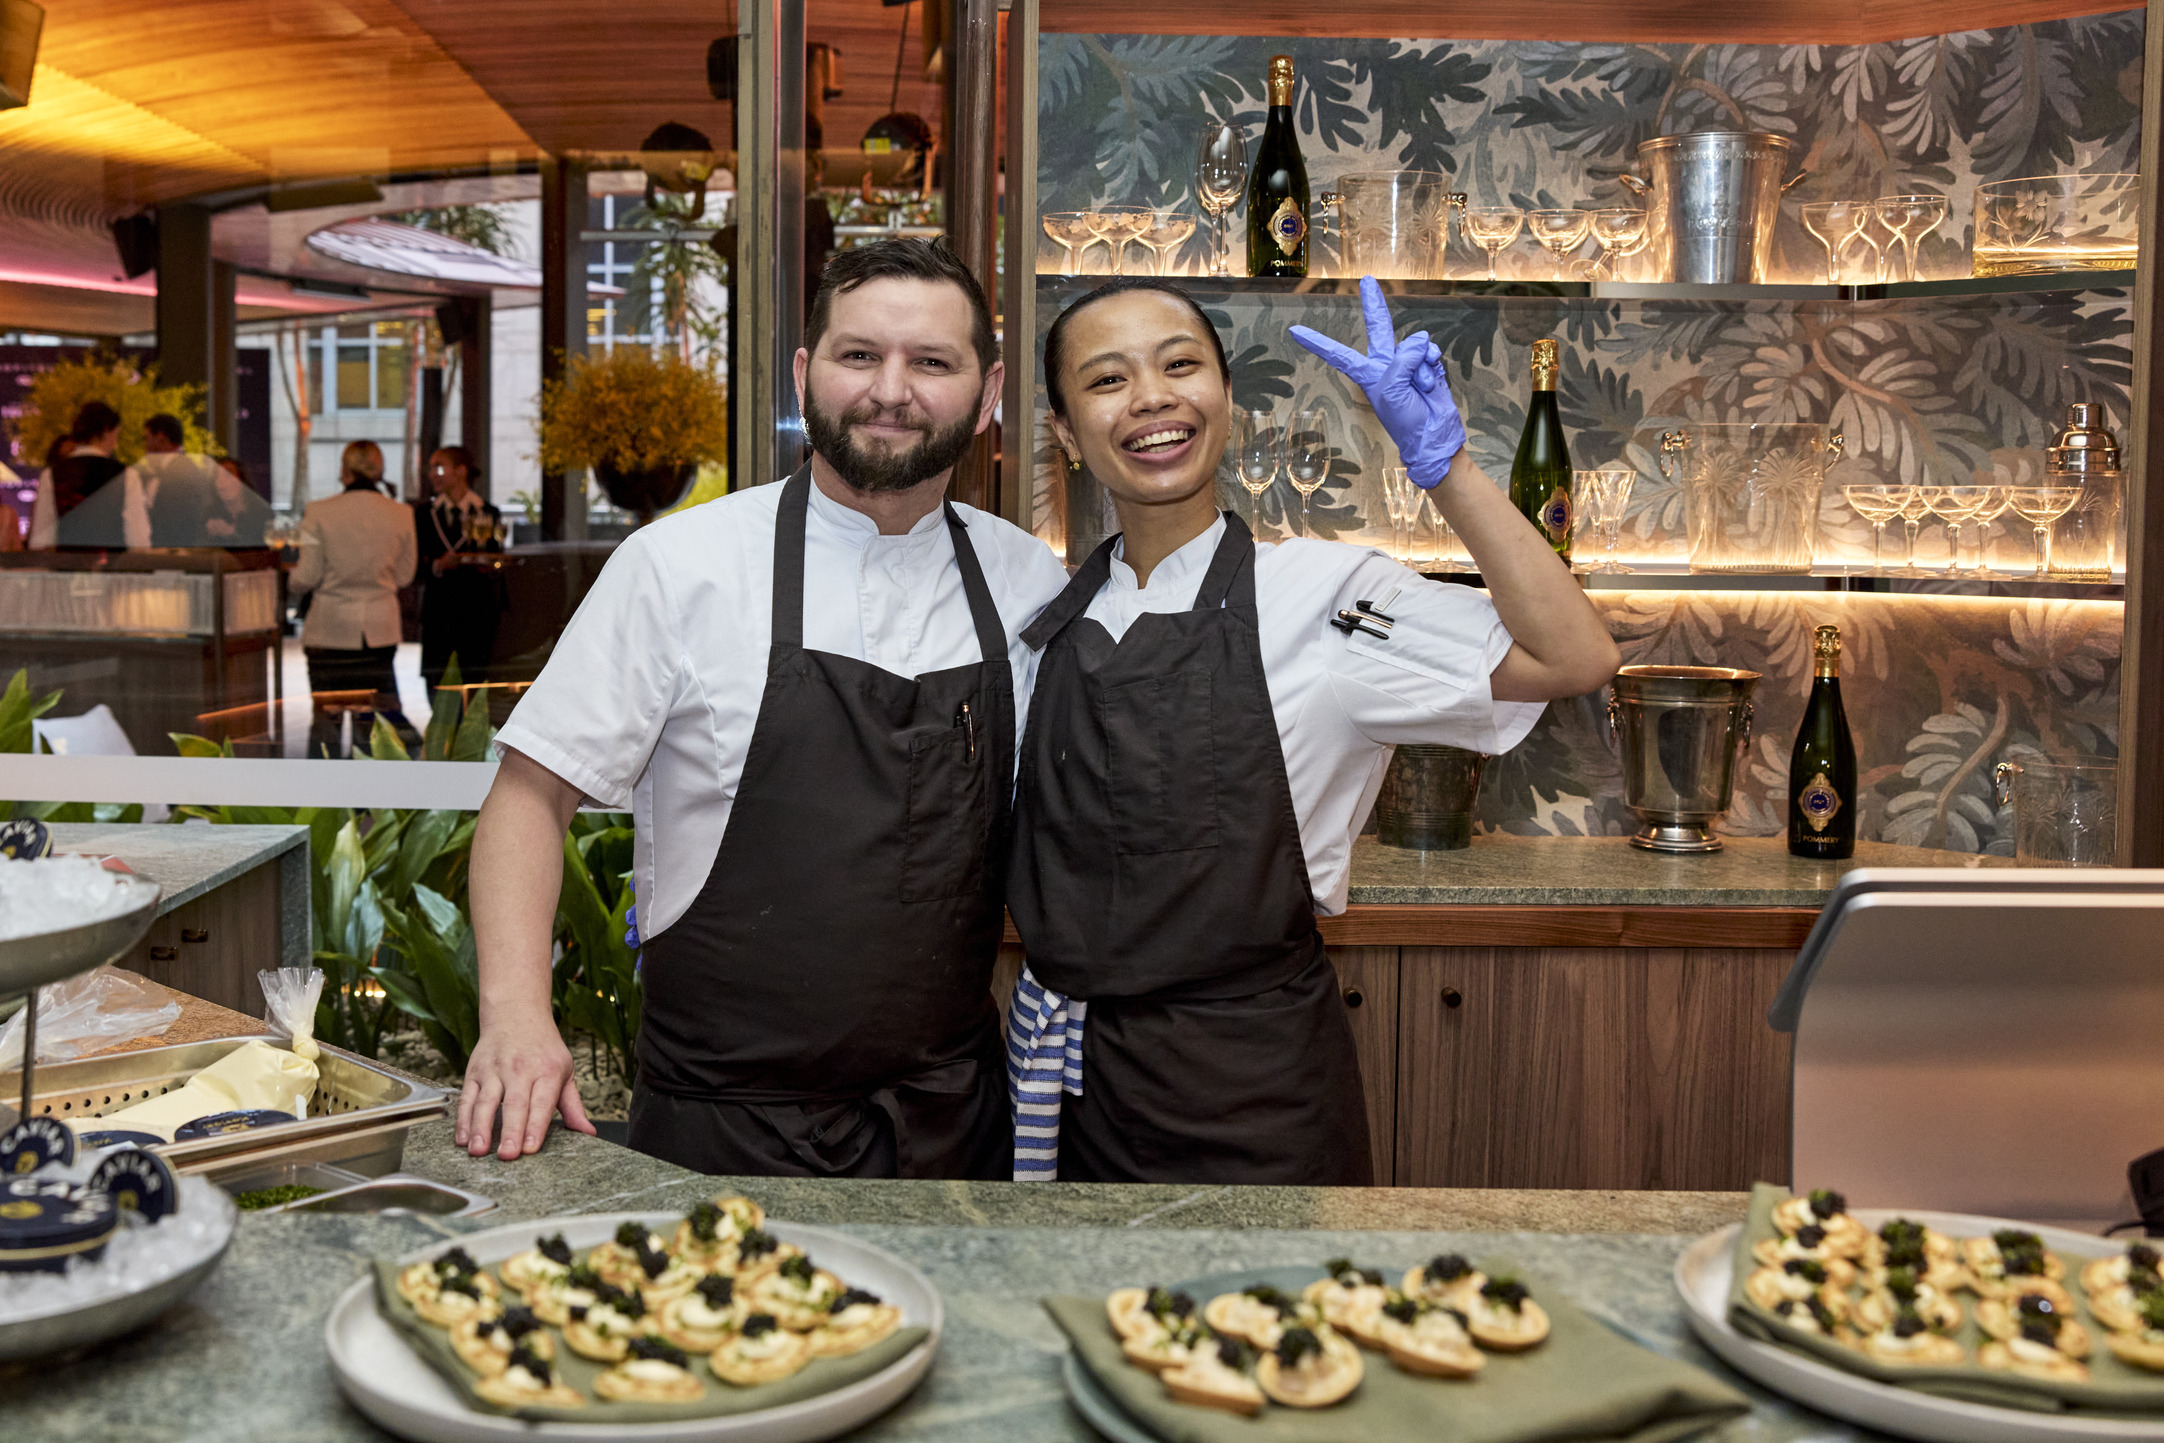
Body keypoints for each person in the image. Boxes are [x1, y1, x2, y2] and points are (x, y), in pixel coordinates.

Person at [461, 237, 1069, 1174]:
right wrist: (514, 1016)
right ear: (804, 374)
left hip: (951, 1132)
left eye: (932, 362)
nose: (890, 390)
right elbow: (529, 796)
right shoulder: (682, 566)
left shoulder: (1027, 579)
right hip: (721, 1134)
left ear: (988, 397)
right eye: (858, 355)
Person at [1005, 277, 1620, 1185]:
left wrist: (1447, 470)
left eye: (1181, 365)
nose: (1152, 398)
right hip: (1075, 1083)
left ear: (1225, 396)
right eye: (1106, 380)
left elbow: (1574, 656)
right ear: (1064, 431)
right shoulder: (1044, 614)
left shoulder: (1327, 596)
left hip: (1254, 1090)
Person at [290, 440, 420, 757]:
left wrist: (288, 580)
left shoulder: (319, 511)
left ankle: (326, 801)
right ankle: (370, 802)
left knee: (327, 722)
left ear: (344, 470)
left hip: (329, 627)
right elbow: (404, 576)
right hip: (378, 631)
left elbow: (306, 577)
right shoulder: (401, 513)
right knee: (371, 724)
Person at [412, 445, 505, 692]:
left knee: (473, 683)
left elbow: (497, 558)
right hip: (438, 613)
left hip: (476, 613)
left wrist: (488, 566)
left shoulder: (487, 512)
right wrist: (437, 565)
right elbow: (414, 564)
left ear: (461, 471)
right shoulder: (424, 514)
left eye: (439, 467)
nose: (433, 474)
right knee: (438, 688)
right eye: (430, 468)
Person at [42, 403, 150, 550]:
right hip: (112, 568)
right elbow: (138, 537)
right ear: (106, 431)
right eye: (116, 435)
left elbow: (42, 538)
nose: (115, 444)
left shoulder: (51, 475)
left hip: (66, 568)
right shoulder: (126, 475)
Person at [139, 411, 222, 548]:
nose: (145, 446)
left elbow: (175, 526)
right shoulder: (188, 470)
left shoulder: (181, 475)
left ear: (161, 438)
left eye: (146, 438)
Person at [203, 456, 272, 547]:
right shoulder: (210, 513)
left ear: (242, 481)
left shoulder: (262, 513)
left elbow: (265, 550)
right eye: (217, 478)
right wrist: (208, 536)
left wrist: (232, 532)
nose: (221, 483)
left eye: (228, 476)